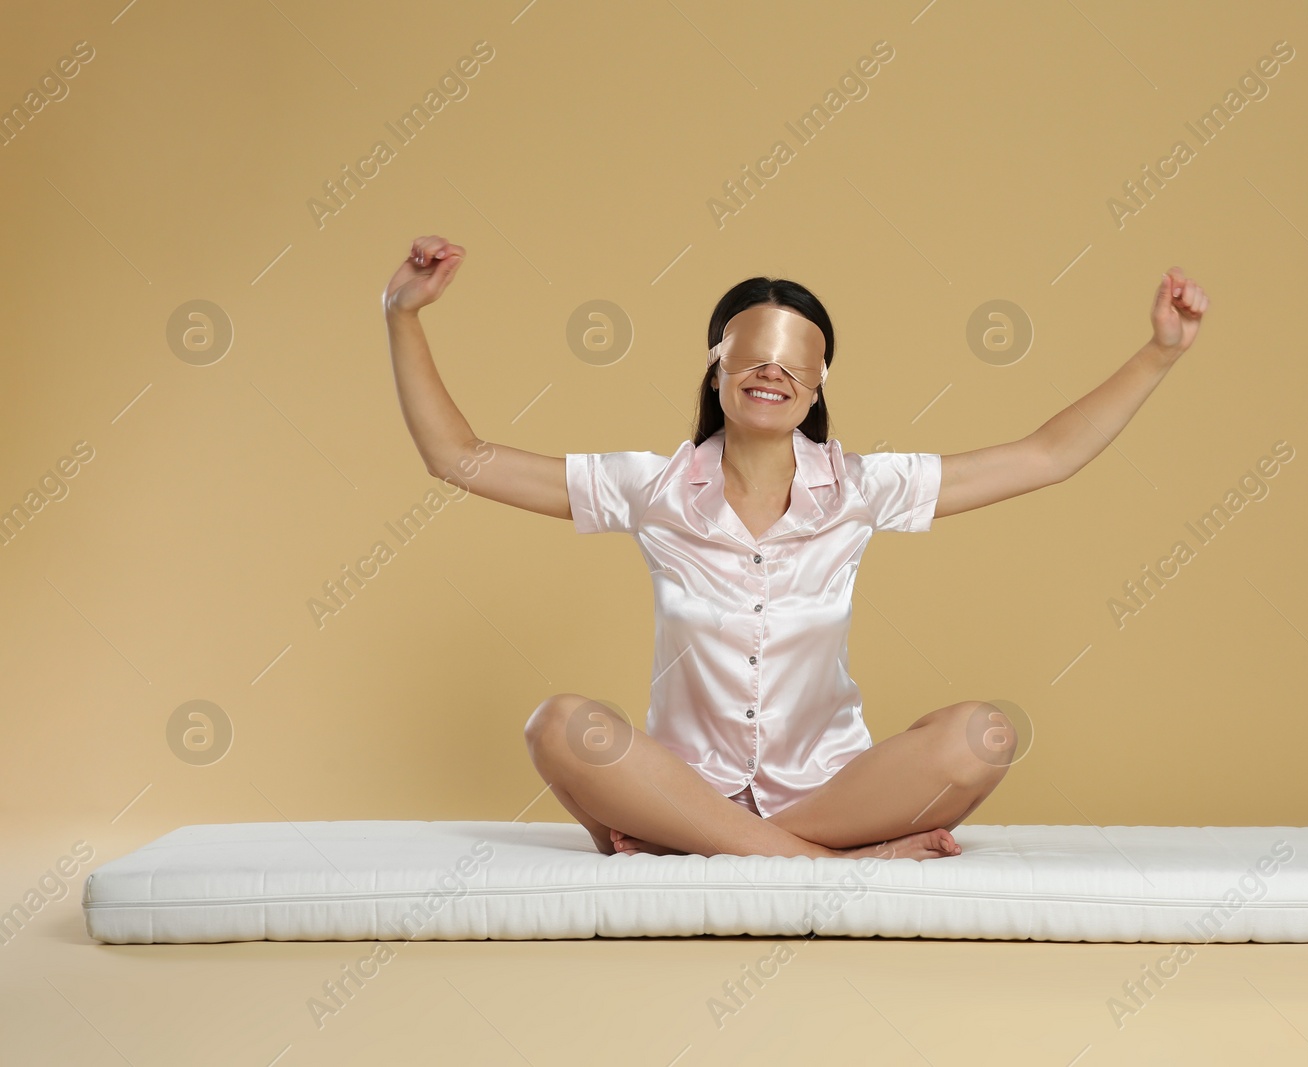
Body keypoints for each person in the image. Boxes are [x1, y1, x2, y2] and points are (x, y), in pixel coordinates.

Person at [383, 235, 1208, 862]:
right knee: (558, 725)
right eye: (752, 360)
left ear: (815, 384)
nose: (771, 376)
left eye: (794, 366)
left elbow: (1047, 455)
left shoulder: (858, 488)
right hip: (682, 789)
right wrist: (403, 312)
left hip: (831, 790)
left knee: (983, 736)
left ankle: (740, 852)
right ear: (716, 373)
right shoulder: (650, 486)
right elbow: (458, 456)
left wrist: (1161, 353)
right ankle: (824, 867)